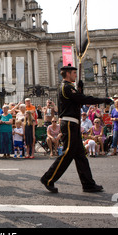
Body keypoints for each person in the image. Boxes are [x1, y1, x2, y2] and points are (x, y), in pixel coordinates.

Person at [40, 64, 112, 194]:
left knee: (80, 156)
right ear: (67, 74)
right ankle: (48, 178)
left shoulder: (69, 88)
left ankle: (88, 184)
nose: (75, 75)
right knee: (67, 153)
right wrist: (103, 100)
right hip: (69, 124)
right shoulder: (66, 87)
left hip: (73, 124)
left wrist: (79, 89)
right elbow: (83, 99)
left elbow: (77, 101)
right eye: (74, 73)